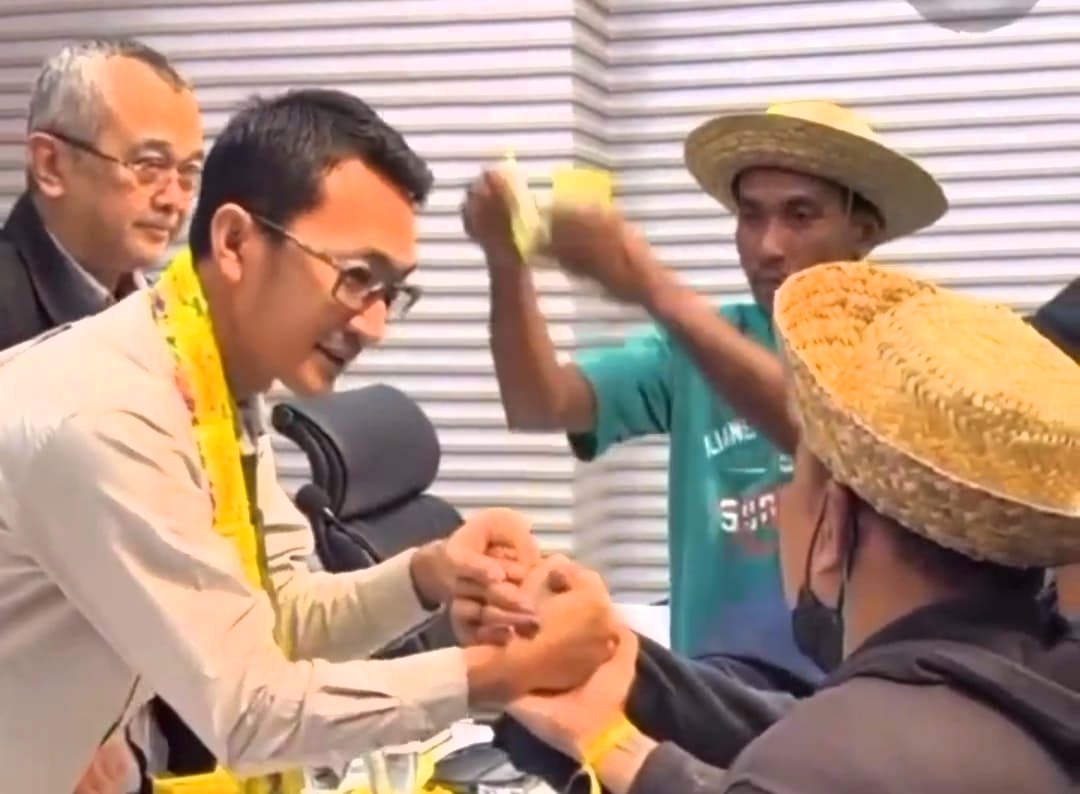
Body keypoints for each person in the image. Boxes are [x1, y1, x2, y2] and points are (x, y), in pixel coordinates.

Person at [0, 88, 618, 794]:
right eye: (356, 278)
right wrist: (501, 674)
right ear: (235, 242)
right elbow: (251, 712)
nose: (374, 325)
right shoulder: (110, 417)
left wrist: (429, 575)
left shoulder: (211, 381)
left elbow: (278, 620)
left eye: (391, 292)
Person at [500, 261, 1080, 793]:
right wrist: (625, 682)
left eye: (793, 472)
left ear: (832, 525)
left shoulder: (816, 759)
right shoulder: (1045, 691)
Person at [462, 100, 948, 689]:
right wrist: (506, 263)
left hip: (850, 703)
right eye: (751, 216)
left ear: (863, 231)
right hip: (712, 694)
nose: (768, 245)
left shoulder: (911, 353)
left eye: (800, 215)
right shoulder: (700, 343)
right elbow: (539, 403)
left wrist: (651, 285)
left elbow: (830, 438)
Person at [0, 38, 202, 350]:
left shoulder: (167, 318)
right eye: (149, 164)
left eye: (188, 172)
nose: (174, 201)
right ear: (51, 165)